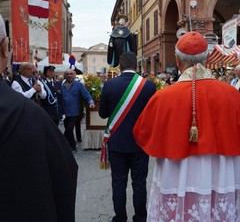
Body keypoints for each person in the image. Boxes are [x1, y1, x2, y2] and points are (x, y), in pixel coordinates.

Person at [133, 31, 240, 221]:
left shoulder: (163, 97)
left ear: (177, 59)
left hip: (176, 172)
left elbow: (142, 133)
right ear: (207, 58)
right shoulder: (232, 94)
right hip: (221, 172)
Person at [0, 14, 78, 222]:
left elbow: (45, 96)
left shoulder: (41, 87)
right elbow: (64, 172)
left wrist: (40, 91)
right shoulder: (22, 101)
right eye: (30, 68)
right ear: (4, 48)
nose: (35, 70)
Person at [99, 52, 156, 222]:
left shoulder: (109, 85)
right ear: (137, 66)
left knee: (118, 182)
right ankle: (140, 217)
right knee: (139, 183)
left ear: (120, 67)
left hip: (117, 142)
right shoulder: (149, 86)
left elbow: (103, 114)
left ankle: (120, 218)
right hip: (140, 142)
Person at [62, 68, 95, 152]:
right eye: (67, 74)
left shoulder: (78, 85)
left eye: (71, 74)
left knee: (69, 129)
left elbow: (86, 94)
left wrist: (90, 102)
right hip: (65, 112)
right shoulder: (62, 85)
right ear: (65, 75)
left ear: (74, 75)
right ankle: (73, 147)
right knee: (68, 130)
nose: (69, 75)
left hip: (75, 111)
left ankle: (60, 143)